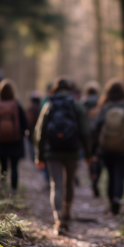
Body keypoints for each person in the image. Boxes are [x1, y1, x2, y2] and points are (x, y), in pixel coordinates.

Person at [35, 77, 91, 235]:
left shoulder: (48, 104)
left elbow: (40, 132)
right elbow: (85, 132)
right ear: (70, 90)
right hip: (72, 151)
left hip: (52, 151)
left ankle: (58, 219)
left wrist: (39, 155)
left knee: (56, 185)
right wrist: (87, 154)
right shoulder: (76, 105)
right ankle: (67, 213)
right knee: (69, 183)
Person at [94, 79, 124, 215]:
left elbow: (95, 126)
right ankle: (117, 199)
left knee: (110, 176)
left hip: (106, 149)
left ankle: (111, 203)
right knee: (120, 176)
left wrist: (99, 142)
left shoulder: (105, 107)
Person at [0, 79, 28, 195]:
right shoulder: (16, 105)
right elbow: (25, 124)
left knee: (3, 167)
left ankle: (2, 189)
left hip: (0, 141)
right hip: (16, 140)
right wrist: (23, 134)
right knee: (14, 167)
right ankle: (14, 191)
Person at [81, 81, 102, 197]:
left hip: (87, 135)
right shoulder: (101, 101)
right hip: (99, 134)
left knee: (89, 158)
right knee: (98, 158)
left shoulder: (83, 102)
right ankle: (96, 178)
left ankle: (91, 176)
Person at [26, 90, 42, 162]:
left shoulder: (30, 106)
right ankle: (36, 158)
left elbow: (27, 119)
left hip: (30, 128)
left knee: (31, 144)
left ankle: (33, 159)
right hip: (37, 128)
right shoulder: (40, 106)